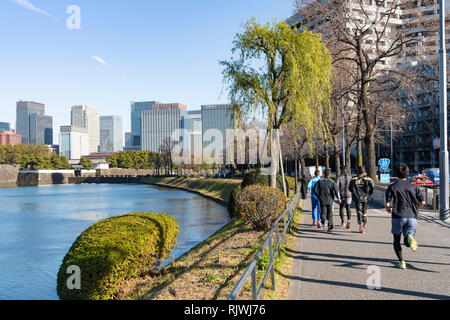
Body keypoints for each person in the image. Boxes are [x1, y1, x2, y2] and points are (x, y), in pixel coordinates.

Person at [385, 163, 425, 269]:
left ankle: (402, 262)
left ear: (396, 174)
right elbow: (423, 202)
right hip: (412, 216)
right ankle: (409, 237)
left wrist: (388, 210)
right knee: (407, 241)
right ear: (407, 174)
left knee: (396, 240)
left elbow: (387, 204)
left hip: (398, 216)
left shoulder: (392, 186)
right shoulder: (414, 186)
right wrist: (416, 207)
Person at [313, 169, 341, 233]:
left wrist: (318, 196)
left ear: (323, 174)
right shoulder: (332, 182)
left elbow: (314, 190)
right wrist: (339, 198)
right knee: (330, 214)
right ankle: (330, 229)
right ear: (330, 175)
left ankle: (324, 220)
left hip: (322, 200)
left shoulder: (319, 181)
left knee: (322, 213)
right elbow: (336, 191)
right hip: (330, 200)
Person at [349, 166, 375, 234]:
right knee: (364, 211)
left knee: (359, 211)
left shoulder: (354, 179)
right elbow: (372, 186)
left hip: (357, 197)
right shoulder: (368, 179)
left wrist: (354, 192)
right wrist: (369, 193)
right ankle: (364, 224)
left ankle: (360, 223)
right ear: (364, 171)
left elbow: (350, 188)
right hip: (365, 197)